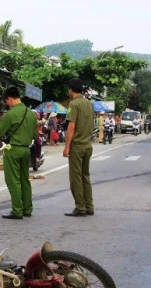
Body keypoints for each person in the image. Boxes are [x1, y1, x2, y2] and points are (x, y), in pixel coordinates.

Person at [0, 86, 38, 219]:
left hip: (13, 150)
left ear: (9, 99)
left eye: (6, 101)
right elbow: (35, 134)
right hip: (26, 150)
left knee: (13, 180)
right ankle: (27, 208)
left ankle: (17, 210)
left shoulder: (10, 114)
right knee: (25, 179)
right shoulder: (31, 113)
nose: (7, 104)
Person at [63, 78, 94, 217]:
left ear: (70, 89)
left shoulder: (74, 104)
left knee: (75, 178)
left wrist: (67, 146)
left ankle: (80, 207)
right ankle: (89, 206)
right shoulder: (89, 104)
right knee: (85, 176)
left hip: (77, 146)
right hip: (88, 145)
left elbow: (71, 126)